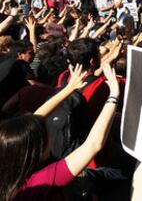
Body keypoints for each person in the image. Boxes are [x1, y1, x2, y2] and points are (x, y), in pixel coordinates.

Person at [0, 63, 120, 200]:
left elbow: (37, 118)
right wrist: (114, 95)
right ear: (36, 151)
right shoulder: (42, 180)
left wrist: (69, 88)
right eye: (45, 134)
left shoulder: (11, 170)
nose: (49, 132)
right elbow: (93, 145)